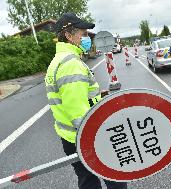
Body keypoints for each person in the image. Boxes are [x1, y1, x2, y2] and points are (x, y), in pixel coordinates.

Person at [44, 12, 127, 189]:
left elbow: (71, 98)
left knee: (88, 181)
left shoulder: (57, 61)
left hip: (69, 138)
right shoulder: (70, 64)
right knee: (116, 176)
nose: (87, 38)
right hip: (85, 138)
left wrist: (97, 96)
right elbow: (77, 112)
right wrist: (96, 140)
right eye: (83, 34)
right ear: (68, 35)